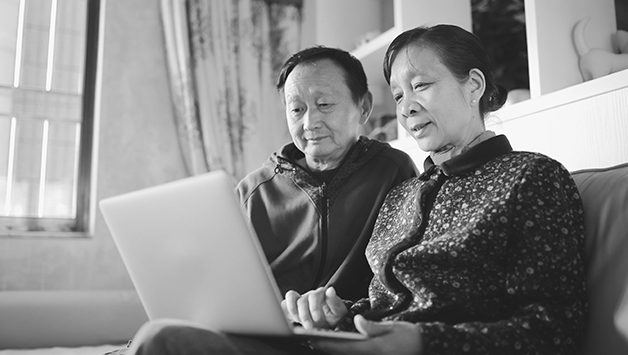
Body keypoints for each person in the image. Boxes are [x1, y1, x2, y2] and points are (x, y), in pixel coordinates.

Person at [125, 24, 588, 355]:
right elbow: (383, 300)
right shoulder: (404, 195)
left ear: (474, 87)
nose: (406, 108)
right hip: (343, 343)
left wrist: (425, 343)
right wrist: (335, 313)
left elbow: (555, 329)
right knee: (162, 338)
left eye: (421, 85)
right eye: (399, 95)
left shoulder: (530, 177)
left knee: (163, 343)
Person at [236, 46, 418, 301]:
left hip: (352, 326)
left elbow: (406, 271)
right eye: (297, 109)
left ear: (364, 107)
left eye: (324, 104)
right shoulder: (254, 191)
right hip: (272, 330)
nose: (310, 123)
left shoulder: (391, 170)